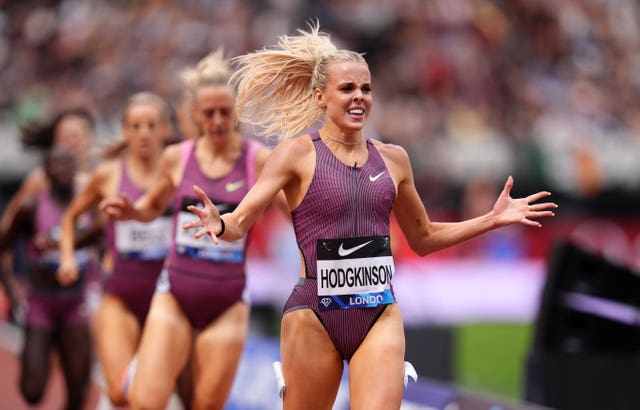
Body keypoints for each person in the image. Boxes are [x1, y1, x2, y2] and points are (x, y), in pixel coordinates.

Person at [182, 23, 558, 409]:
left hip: (379, 312)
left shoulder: (394, 159)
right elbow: (241, 221)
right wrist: (220, 224)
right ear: (320, 97)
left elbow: (423, 237)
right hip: (314, 314)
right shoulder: (295, 154)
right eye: (347, 89)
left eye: (366, 88)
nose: (359, 97)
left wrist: (491, 220)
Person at [99, 49, 274, 409]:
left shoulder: (257, 159)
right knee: (144, 401)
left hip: (227, 301)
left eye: (225, 111)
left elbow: (295, 209)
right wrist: (133, 210)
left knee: (206, 404)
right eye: (208, 113)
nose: (217, 120)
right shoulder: (176, 157)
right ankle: (141, 373)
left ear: (237, 111)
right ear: (195, 115)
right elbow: (150, 208)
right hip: (175, 293)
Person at [57, 92, 187, 407]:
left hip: (170, 299)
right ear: (125, 131)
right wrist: (66, 257)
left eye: (151, 125)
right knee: (119, 392)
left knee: (167, 392)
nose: (143, 133)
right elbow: (70, 217)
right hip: (119, 295)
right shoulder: (108, 174)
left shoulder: (182, 170)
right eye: (136, 126)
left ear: (165, 130)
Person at [0, 146, 102, 410]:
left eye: (66, 164)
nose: (61, 171)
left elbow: (103, 240)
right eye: (54, 165)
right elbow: (3, 249)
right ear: (45, 172)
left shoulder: (88, 204)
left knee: (79, 388)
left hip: (76, 301)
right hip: (40, 302)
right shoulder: (31, 207)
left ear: (75, 167)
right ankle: (43, 346)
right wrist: (13, 293)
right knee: (31, 391)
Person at [0, 108, 96, 322]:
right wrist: (10, 286)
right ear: (55, 141)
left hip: (89, 289)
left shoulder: (100, 178)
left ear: (90, 139)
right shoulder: (39, 181)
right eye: (66, 136)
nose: (72, 142)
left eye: (77, 135)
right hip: (43, 289)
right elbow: (7, 231)